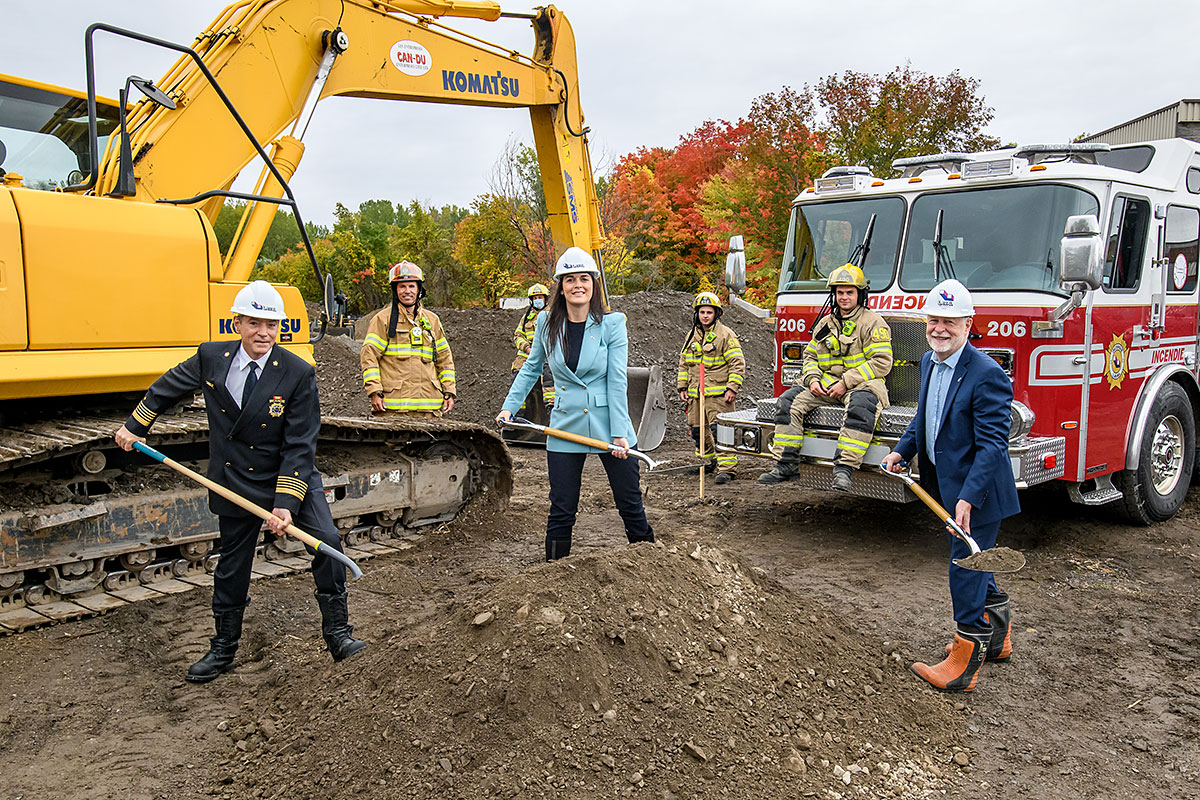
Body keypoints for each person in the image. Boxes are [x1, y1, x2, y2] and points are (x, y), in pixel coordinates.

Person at [114, 280, 367, 683]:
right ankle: (223, 649)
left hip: (287, 475)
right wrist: (135, 426)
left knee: (328, 544)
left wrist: (285, 504)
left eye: (271, 324)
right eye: (254, 323)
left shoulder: (298, 373)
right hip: (233, 480)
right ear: (237, 323)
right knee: (233, 565)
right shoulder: (211, 357)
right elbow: (168, 387)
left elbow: (300, 444)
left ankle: (338, 636)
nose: (263, 333)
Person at [881, 279, 1019, 693]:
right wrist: (902, 450)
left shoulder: (987, 375)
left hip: (978, 495)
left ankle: (963, 663)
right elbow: (926, 417)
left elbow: (994, 445)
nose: (940, 329)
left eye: (950, 322)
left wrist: (968, 498)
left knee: (965, 568)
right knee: (980, 562)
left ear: (968, 323)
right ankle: (998, 639)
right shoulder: (928, 362)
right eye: (934, 320)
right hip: (947, 486)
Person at [496, 246, 654, 561]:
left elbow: (616, 380)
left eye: (584, 278)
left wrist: (621, 431)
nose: (577, 285)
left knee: (629, 502)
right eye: (570, 279)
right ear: (561, 286)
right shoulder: (546, 323)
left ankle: (651, 563)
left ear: (593, 284)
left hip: (610, 424)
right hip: (565, 424)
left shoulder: (612, 323)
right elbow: (531, 368)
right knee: (562, 507)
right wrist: (509, 407)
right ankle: (553, 572)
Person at [759, 263, 892, 492]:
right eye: (840, 292)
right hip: (827, 385)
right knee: (787, 401)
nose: (844, 297)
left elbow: (881, 362)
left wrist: (846, 382)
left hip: (861, 385)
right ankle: (786, 463)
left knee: (861, 408)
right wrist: (812, 379)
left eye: (849, 292)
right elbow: (810, 355)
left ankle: (844, 470)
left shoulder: (873, 323)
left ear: (860, 294)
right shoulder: (825, 324)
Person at [361, 261, 456, 417]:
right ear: (395, 290)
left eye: (411, 286)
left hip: (429, 409)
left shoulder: (432, 321)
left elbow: (444, 359)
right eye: (402, 286)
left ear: (419, 289)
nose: (407, 291)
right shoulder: (382, 320)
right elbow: (369, 356)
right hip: (393, 411)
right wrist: (374, 391)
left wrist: (449, 391)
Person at [676, 291, 745, 484]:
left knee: (720, 432)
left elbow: (737, 363)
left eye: (709, 312)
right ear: (696, 314)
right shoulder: (691, 336)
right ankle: (712, 462)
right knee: (699, 432)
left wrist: (732, 388)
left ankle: (727, 469)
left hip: (719, 396)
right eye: (702, 312)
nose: (705, 316)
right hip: (696, 395)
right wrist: (682, 387)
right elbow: (684, 363)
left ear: (716, 313)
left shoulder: (726, 335)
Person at [512, 282, 555, 413]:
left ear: (545, 299)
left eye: (540, 298)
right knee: (517, 373)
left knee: (548, 374)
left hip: (547, 352)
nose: (537, 300)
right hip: (528, 353)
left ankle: (551, 407)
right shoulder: (526, 317)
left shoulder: (552, 315)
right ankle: (518, 410)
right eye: (535, 298)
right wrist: (526, 348)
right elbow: (517, 335)